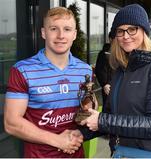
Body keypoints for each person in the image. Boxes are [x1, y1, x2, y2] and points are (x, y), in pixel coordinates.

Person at [81, 4, 151, 157]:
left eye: (132, 29)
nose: (126, 36)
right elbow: (111, 115)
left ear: (144, 31)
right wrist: (79, 135)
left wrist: (102, 121)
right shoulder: (121, 70)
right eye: (120, 31)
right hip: (122, 153)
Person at [4, 7, 93, 158]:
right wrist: (58, 140)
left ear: (74, 34)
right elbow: (11, 123)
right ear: (44, 33)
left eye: (67, 29)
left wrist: (80, 130)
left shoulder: (84, 70)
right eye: (53, 29)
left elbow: (86, 111)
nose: (60, 35)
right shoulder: (23, 70)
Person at [95, 33, 114, 113]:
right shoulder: (104, 53)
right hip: (108, 86)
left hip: (120, 85)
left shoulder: (123, 52)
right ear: (110, 39)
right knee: (108, 108)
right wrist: (104, 84)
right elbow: (99, 69)